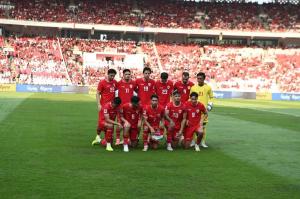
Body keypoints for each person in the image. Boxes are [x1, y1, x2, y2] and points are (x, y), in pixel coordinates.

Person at [92, 69, 118, 146]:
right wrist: (99, 104)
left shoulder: (115, 83)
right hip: (103, 107)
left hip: (112, 108)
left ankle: (107, 137)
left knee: (110, 123)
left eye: (113, 76)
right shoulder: (102, 82)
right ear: (108, 74)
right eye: (111, 75)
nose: (112, 77)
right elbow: (97, 93)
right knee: (101, 123)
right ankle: (98, 136)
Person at [190, 72, 214, 148]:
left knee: (203, 126)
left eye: (201, 78)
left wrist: (210, 105)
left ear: (204, 79)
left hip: (203, 110)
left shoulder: (208, 87)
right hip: (194, 110)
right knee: (193, 126)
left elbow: (211, 97)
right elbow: (190, 98)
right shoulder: (193, 87)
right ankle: (193, 141)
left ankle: (202, 142)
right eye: (198, 78)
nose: (199, 80)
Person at [115, 69, 136, 145]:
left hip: (130, 108)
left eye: (129, 74)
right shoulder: (118, 83)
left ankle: (127, 139)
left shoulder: (133, 83)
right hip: (121, 107)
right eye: (126, 74)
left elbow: (137, 91)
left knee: (129, 124)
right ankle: (117, 139)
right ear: (123, 75)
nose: (127, 75)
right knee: (119, 124)